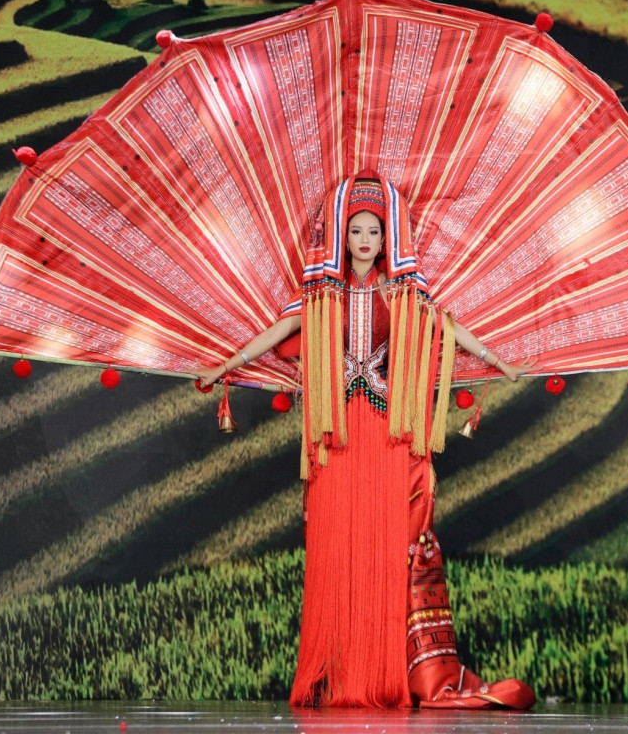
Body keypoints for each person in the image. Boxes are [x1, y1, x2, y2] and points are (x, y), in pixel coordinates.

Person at [197, 173, 535, 710]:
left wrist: (498, 362)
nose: (363, 241)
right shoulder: (320, 294)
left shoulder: (401, 293)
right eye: (355, 230)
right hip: (335, 436)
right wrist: (229, 364)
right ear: (340, 235)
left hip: (385, 434)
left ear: (387, 240)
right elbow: (276, 334)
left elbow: (447, 328)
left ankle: (381, 673)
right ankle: (337, 673)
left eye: (373, 232)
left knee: (382, 549)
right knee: (336, 547)